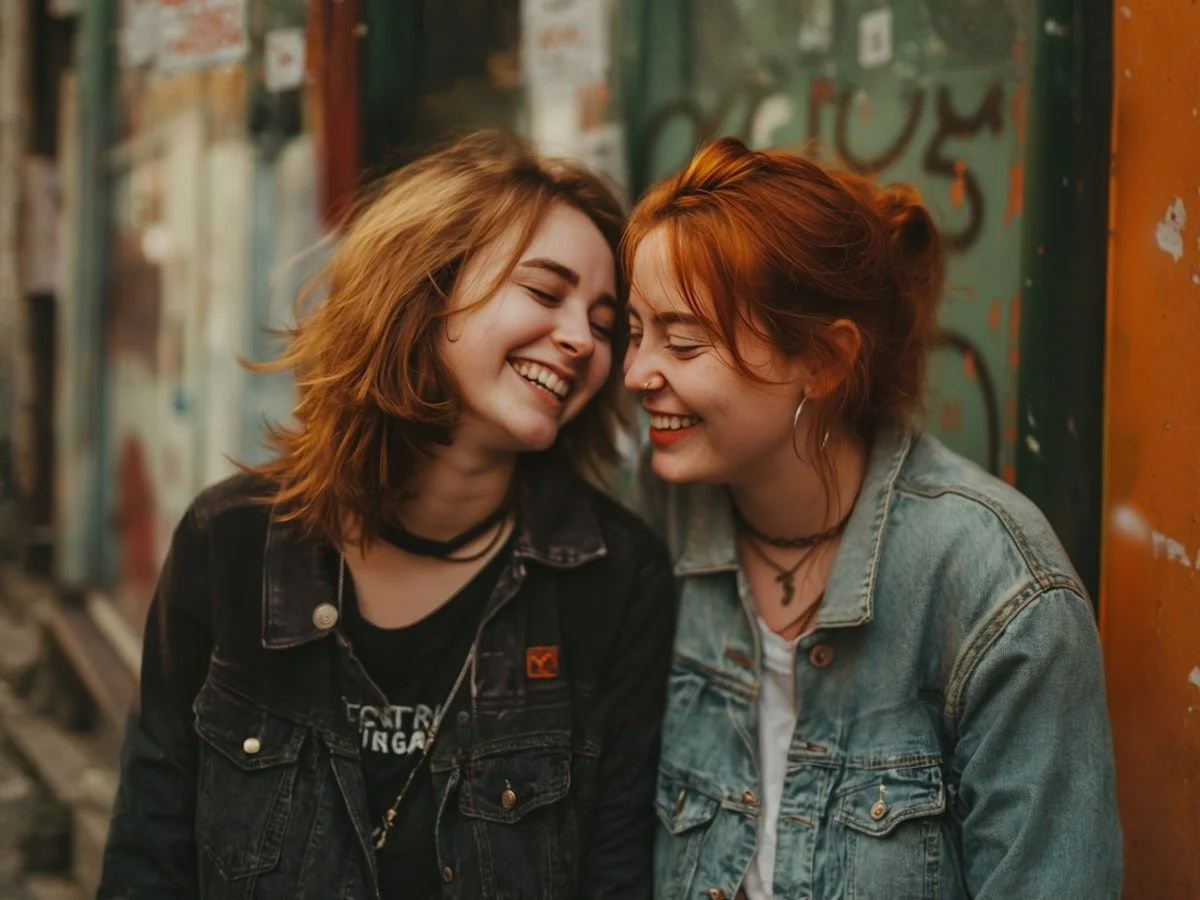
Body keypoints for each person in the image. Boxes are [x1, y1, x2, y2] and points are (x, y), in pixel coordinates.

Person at [98, 130, 676, 899]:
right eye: (544, 292)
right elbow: (150, 851)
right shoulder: (231, 542)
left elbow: (616, 873)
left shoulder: (613, 577)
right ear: (425, 287)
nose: (580, 340)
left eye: (605, 324)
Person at [621, 137, 1122, 900]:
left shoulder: (996, 585)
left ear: (824, 360)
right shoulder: (653, 514)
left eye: (682, 343)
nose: (636, 373)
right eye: (634, 332)